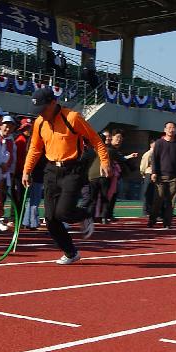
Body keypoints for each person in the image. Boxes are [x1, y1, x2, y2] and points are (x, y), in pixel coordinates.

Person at [23, 87, 109, 264]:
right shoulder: (40, 123)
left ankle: (85, 214)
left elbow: (96, 140)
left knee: (63, 213)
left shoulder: (72, 117)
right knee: (50, 220)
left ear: (53, 103)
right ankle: (71, 253)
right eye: (37, 111)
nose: (41, 114)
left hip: (72, 170)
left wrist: (105, 161)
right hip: (51, 171)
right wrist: (26, 170)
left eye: (43, 109)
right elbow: (35, 148)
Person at [150, 121, 176, 228]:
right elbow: (154, 159)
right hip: (161, 176)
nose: (171, 129)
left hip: (174, 177)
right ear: (165, 130)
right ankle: (152, 220)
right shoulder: (159, 143)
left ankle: (167, 223)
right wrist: (154, 172)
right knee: (158, 198)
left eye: (173, 127)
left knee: (171, 202)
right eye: (169, 127)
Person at [140, 139, 156, 215]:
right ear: (151, 144)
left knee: (152, 194)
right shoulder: (148, 153)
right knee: (147, 193)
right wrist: (144, 174)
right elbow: (143, 166)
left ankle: (150, 210)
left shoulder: (156, 153)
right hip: (148, 174)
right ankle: (145, 211)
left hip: (154, 175)